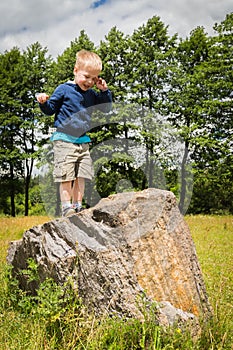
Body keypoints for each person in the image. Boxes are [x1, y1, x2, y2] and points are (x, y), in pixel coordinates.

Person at [36, 49, 112, 217]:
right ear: (75, 71)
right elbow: (50, 110)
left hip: (83, 141)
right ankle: (66, 208)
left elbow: (106, 109)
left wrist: (104, 92)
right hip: (64, 140)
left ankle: (78, 206)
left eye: (94, 78)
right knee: (66, 175)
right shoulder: (64, 89)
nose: (90, 82)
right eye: (86, 77)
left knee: (82, 175)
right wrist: (43, 102)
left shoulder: (92, 94)